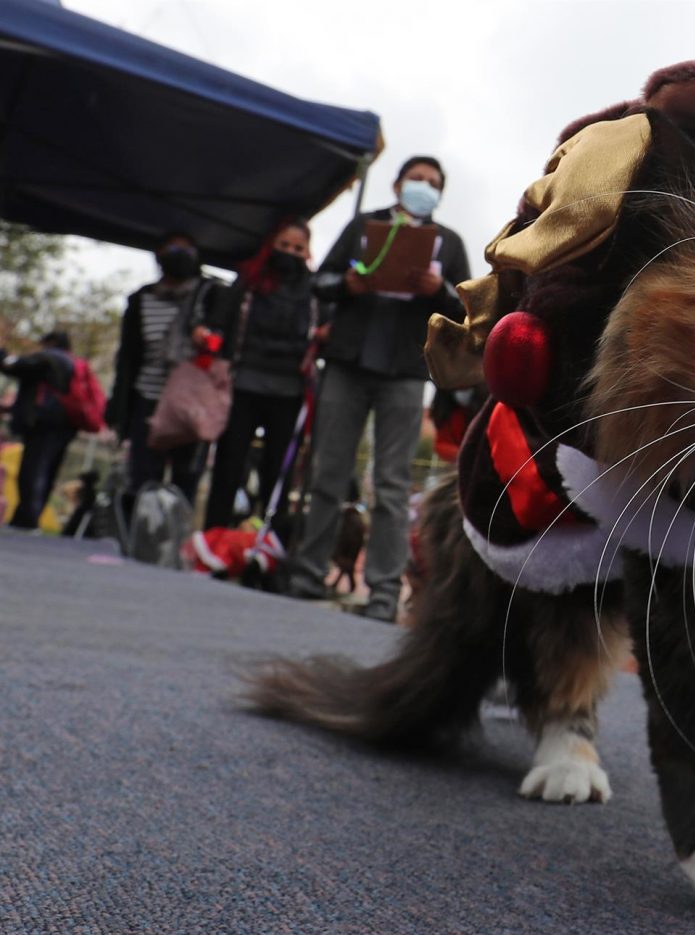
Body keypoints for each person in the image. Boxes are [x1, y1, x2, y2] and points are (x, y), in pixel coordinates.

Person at [285, 156, 471, 623]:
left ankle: (383, 592)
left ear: (440, 195)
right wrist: (349, 282)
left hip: (407, 374)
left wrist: (438, 288)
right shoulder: (363, 226)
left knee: (391, 484)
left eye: (432, 183)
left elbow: (467, 307)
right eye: (416, 179)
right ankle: (307, 575)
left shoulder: (448, 243)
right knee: (328, 472)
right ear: (396, 183)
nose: (422, 187)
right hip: (347, 363)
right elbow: (320, 282)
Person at [203, 219, 316, 533]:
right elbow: (219, 323)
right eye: (284, 246)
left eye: (297, 248)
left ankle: (269, 544)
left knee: (278, 472)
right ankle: (214, 536)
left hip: (290, 391)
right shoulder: (248, 282)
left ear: (307, 252)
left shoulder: (314, 290)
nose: (289, 253)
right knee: (229, 464)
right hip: (242, 385)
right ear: (270, 245)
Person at [106, 233, 225, 505]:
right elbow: (128, 356)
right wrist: (119, 404)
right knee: (142, 477)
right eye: (172, 248)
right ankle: (137, 535)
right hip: (148, 397)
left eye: (186, 248)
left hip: (192, 401)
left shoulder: (212, 295)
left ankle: (173, 539)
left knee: (186, 479)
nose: (179, 254)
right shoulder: (141, 299)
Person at [0, 331, 77, 528]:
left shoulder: (48, 359)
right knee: (47, 471)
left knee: (33, 470)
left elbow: (16, 367)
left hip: (44, 424)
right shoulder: (71, 362)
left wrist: (3, 353)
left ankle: (27, 519)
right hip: (66, 426)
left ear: (51, 342)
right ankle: (31, 516)